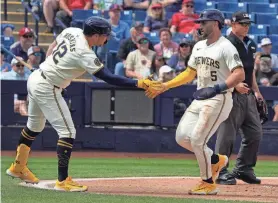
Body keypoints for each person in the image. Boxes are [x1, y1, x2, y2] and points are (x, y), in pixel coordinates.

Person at [6, 16, 159, 192]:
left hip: (37, 78)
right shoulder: (85, 53)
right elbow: (108, 77)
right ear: (94, 35)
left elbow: (52, 47)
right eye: (105, 35)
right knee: (68, 131)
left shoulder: (72, 31)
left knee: (34, 126)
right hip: (47, 86)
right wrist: (139, 83)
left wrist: (48, 66)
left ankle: (18, 166)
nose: (107, 39)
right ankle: (63, 181)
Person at [146, 9, 245, 195]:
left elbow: (239, 73)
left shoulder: (226, 46)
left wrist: (217, 88)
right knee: (182, 137)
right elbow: (190, 73)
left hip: (219, 98)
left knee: (198, 140)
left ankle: (208, 183)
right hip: (200, 97)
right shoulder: (199, 46)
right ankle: (215, 160)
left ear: (215, 23)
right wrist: (166, 85)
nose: (199, 25)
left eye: (203, 22)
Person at [215, 11, 264, 185]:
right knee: (227, 135)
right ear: (233, 25)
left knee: (255, 133)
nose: (246, 26)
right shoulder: (226, 44)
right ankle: (219, 171)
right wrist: (235, 85)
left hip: (248, 95)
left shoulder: (249, 43)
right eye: (242, 23)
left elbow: (249, 72)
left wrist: (257, 92)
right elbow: (220, 70)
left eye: (248, 24)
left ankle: (243, 168)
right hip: (230, 94)